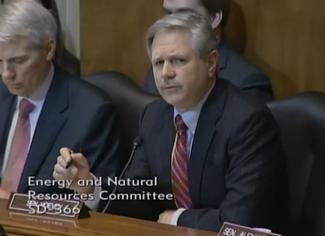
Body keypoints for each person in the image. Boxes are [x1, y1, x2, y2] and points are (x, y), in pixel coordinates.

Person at [54, 11, 286, 233]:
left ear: (211, 63)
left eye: (178, 60)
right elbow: (141, 198)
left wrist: (176, 218)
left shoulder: (247, 121)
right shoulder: (156, 116)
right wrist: (90, 187)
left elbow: (239, 222)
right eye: (158, 63)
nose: (166, 73)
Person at [0, 0, 124, 199]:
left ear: (49, 49)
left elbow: (109, 199)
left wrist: (87, 187)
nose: (6, 74)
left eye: (18, 61)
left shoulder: (91, 111)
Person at [144, 0, 273, 102]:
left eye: (183, 15)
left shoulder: (247, 82)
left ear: (214, 18)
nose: (172, 23)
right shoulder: (161, 66)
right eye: (168, 14)